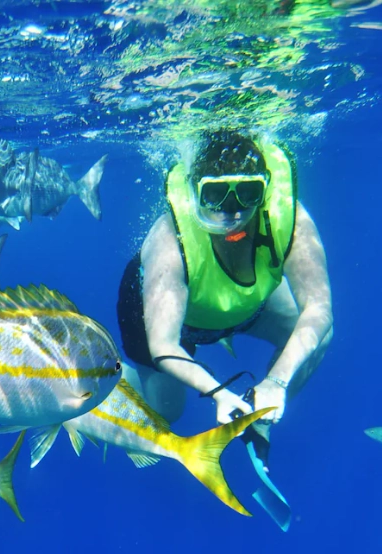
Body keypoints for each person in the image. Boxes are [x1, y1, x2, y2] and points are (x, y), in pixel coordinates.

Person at [116, 130, 333, 429]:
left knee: (319, 337)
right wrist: (219, 394)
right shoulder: (169, 240)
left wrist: (276, 383)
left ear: (265, 190)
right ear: (195, 192)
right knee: (167, 413)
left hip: (245, 305)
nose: (232, 212)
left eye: (248, 193)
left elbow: (319, 309)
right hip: (167, 318)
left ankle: (259, 422)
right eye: (216, 195)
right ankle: (115, 379)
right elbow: (164, 345)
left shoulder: (289, 217)